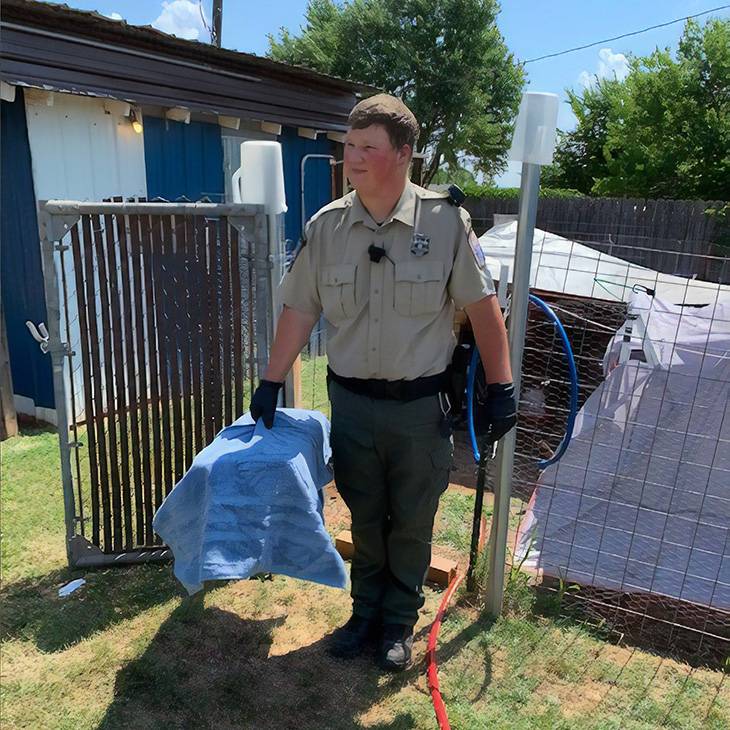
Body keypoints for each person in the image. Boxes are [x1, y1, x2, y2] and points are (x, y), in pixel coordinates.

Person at [249, 94, 516, 672]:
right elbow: (299, 311)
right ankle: (364, 613)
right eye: (349, 145)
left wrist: (502, 389)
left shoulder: (445, 222)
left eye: (368, 147)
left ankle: (398, 623)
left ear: (404, 154)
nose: (353, 157)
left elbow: (485, 310)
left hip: (419, 410)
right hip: (352, 405)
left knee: (412, 522)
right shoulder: (327, 227)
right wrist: (270, 381)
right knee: (364, 518)